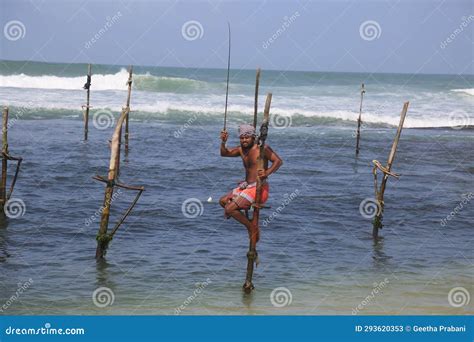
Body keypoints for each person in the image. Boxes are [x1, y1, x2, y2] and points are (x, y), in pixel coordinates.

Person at [219, 123, 283, 248]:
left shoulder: (262, 149)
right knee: (222, 201)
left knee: (229, 209)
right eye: (242, 138)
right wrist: (223, 142)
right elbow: (224, 153)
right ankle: (250, 223)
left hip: (259, 189)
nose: (244, 140)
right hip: (247, 187)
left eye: (247, 137)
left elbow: (278, 161)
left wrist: (266, 173)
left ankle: (252, 228)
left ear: (253, 137)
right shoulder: (241, 150)